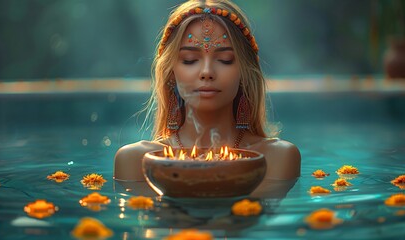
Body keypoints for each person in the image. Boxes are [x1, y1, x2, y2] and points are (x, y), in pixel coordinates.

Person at [114, 0, 301, 194]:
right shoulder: (136, 160)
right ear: (171, 74)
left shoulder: (277, 157)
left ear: (244, 73)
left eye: (225, 60)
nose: (206, 72)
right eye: (190, 60)